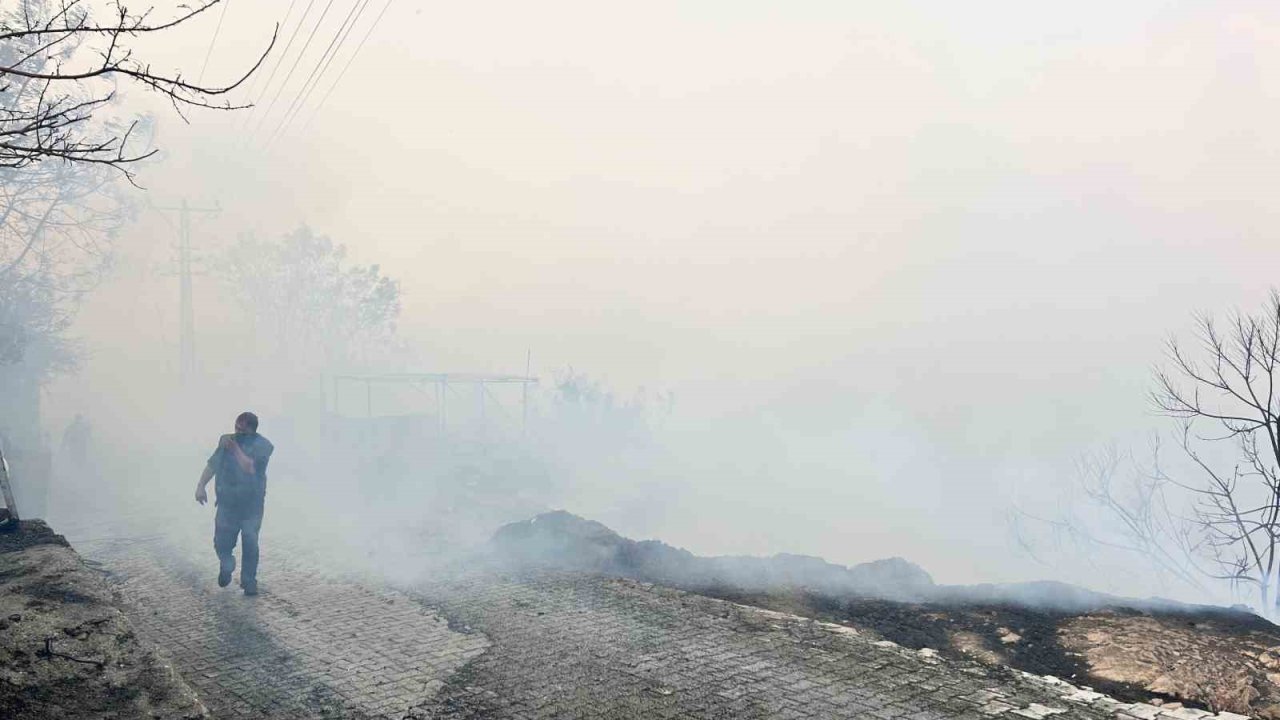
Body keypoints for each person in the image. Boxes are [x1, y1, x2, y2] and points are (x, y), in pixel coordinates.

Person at [195, 412, 274, 596]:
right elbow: (213, 465)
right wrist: (201, 486)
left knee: (250, 541)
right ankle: (226, 564)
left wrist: (236, 449)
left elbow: (249, 467)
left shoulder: (263, 446)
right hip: (227, 503)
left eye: (242, 430)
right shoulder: (226, 441)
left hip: (251, 505)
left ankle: (249, 581)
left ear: (252, 430)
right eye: (236, 428)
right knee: (221, 542)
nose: (237, 432)